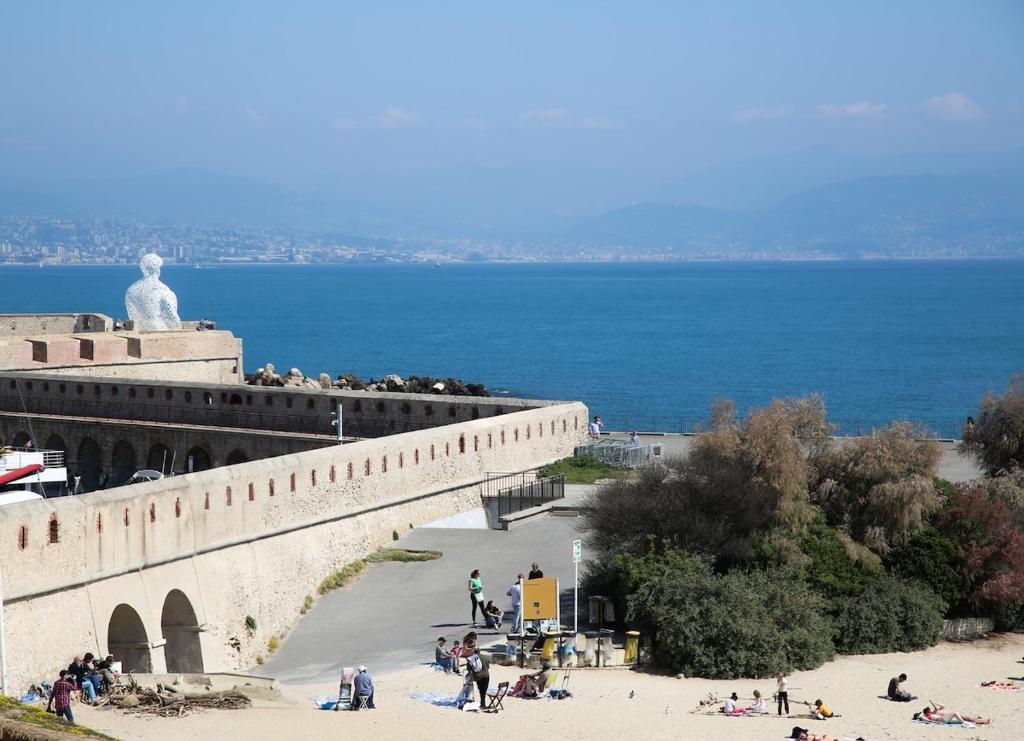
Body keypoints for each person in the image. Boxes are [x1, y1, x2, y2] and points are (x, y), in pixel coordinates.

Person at [462, 642, 491, 712]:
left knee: (481, 691)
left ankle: (483, 704)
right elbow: (488, 666)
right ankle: (483, 703)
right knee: (484, 690)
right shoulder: (486, 657)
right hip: (486, 676)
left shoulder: (471, 659)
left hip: (478, 677)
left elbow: (468, 669)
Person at [915, 701, 990, 725]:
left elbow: (943, 706)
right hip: (947, 718)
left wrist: (934, 702)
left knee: (968, 718)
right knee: (965, 718)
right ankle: (981, 721)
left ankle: (982, 721)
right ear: (928, 711)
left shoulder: (934, 712)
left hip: (949, 717)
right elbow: (927, 719)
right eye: (929, 709)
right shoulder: (932, 713)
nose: (930, 709)